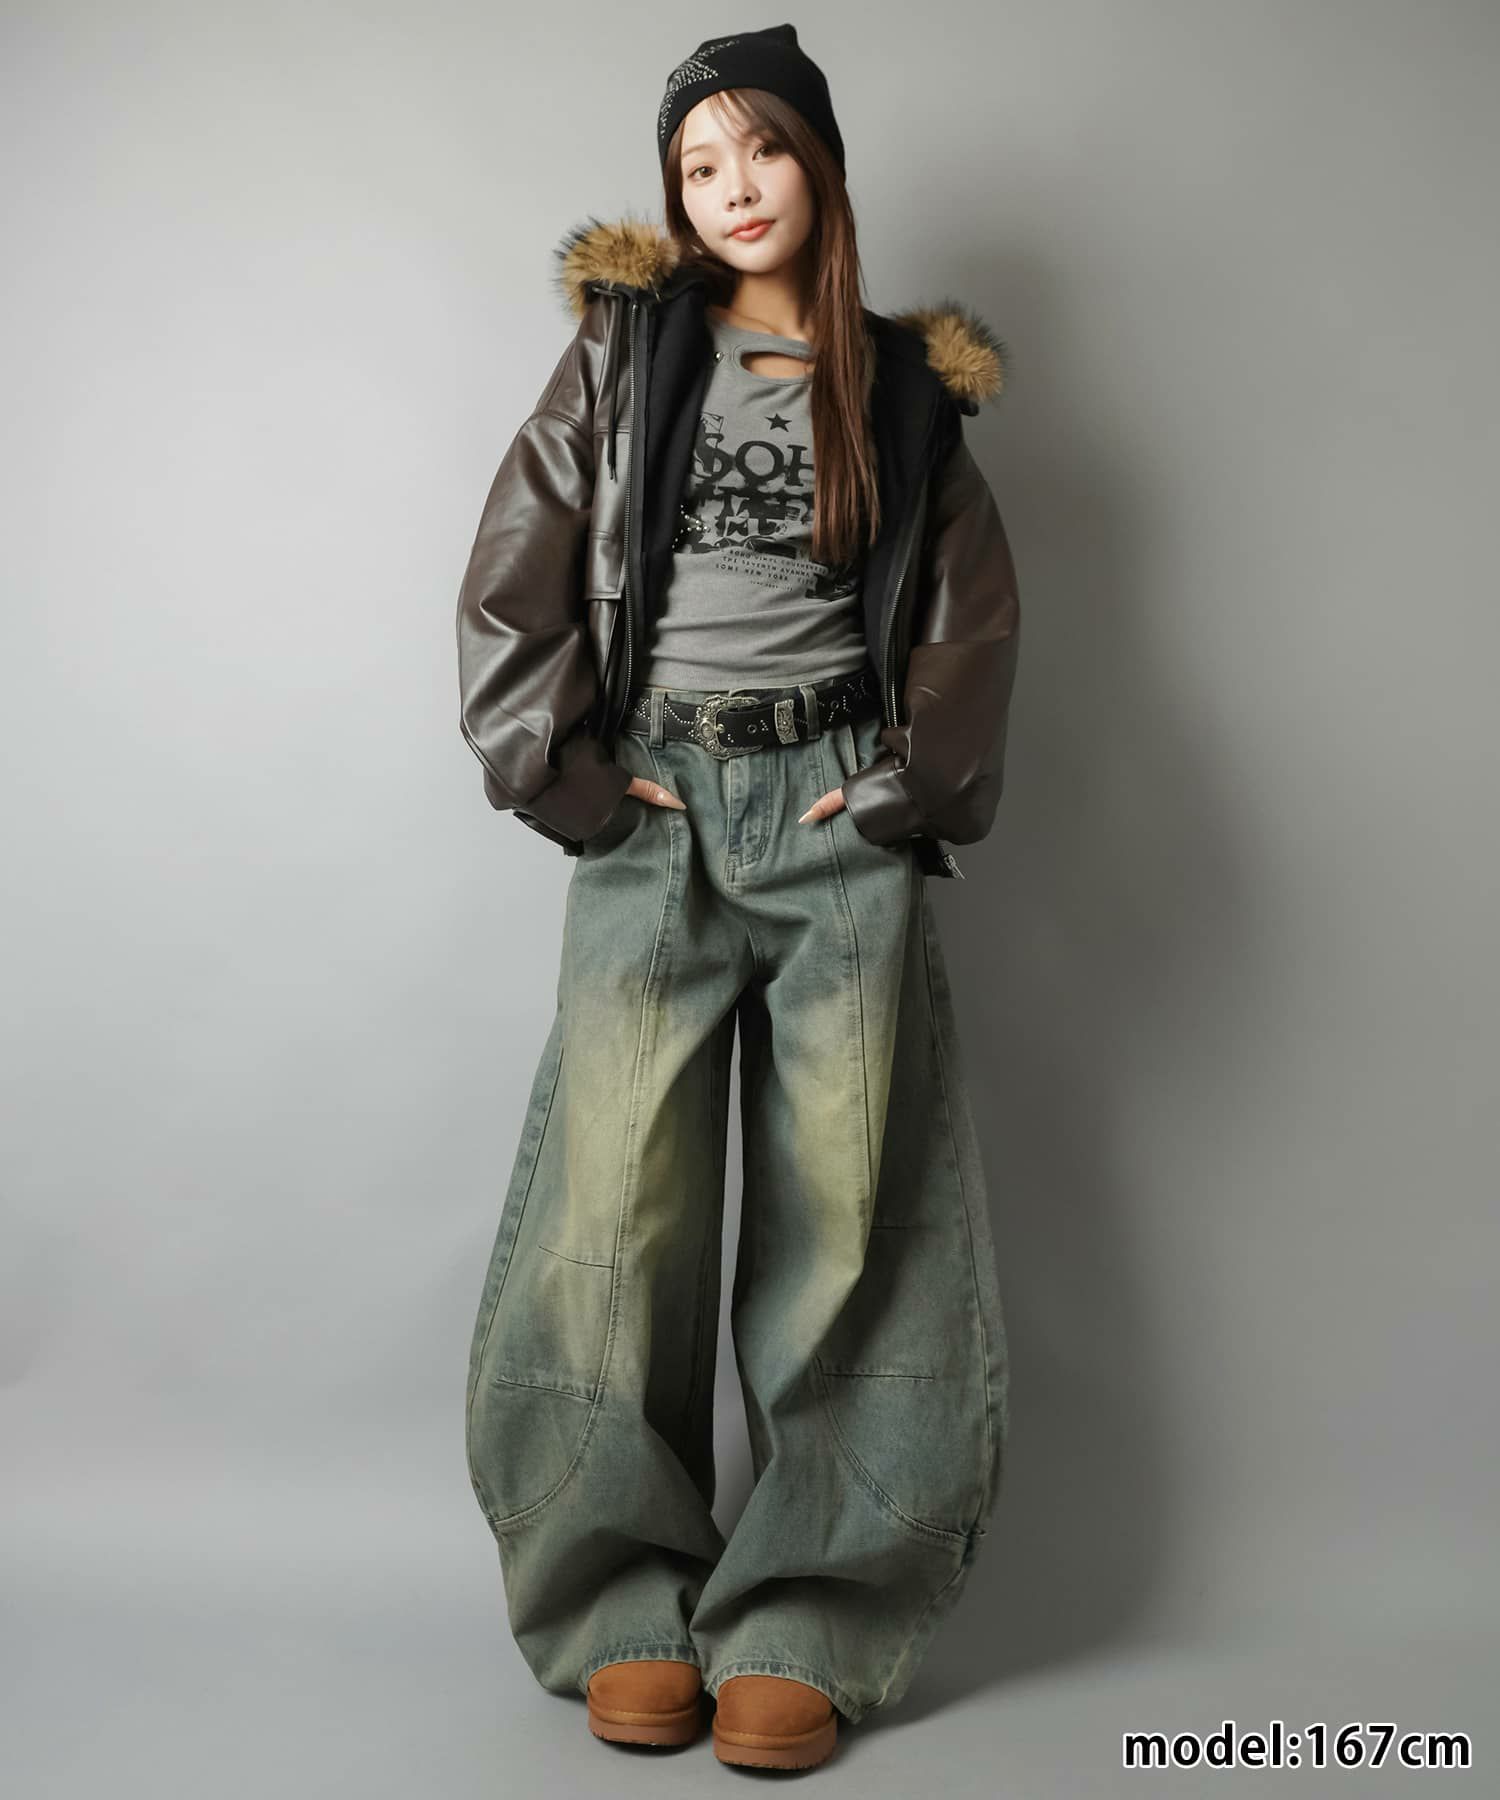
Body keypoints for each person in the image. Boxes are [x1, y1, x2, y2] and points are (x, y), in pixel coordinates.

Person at [454, 22, 1020, 1772]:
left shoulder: (904, 386)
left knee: (844, 1213)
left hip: (835, 809)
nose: (733, 188)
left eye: (761, 150)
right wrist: (559, 773)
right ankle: (622, 1594)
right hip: (660, 806)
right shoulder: (626, 354)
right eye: (698, 166)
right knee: (617, 1207)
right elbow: (515, 567)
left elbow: (971, 616)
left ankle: (813, 1611)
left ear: (819, 167)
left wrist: (906, 790)